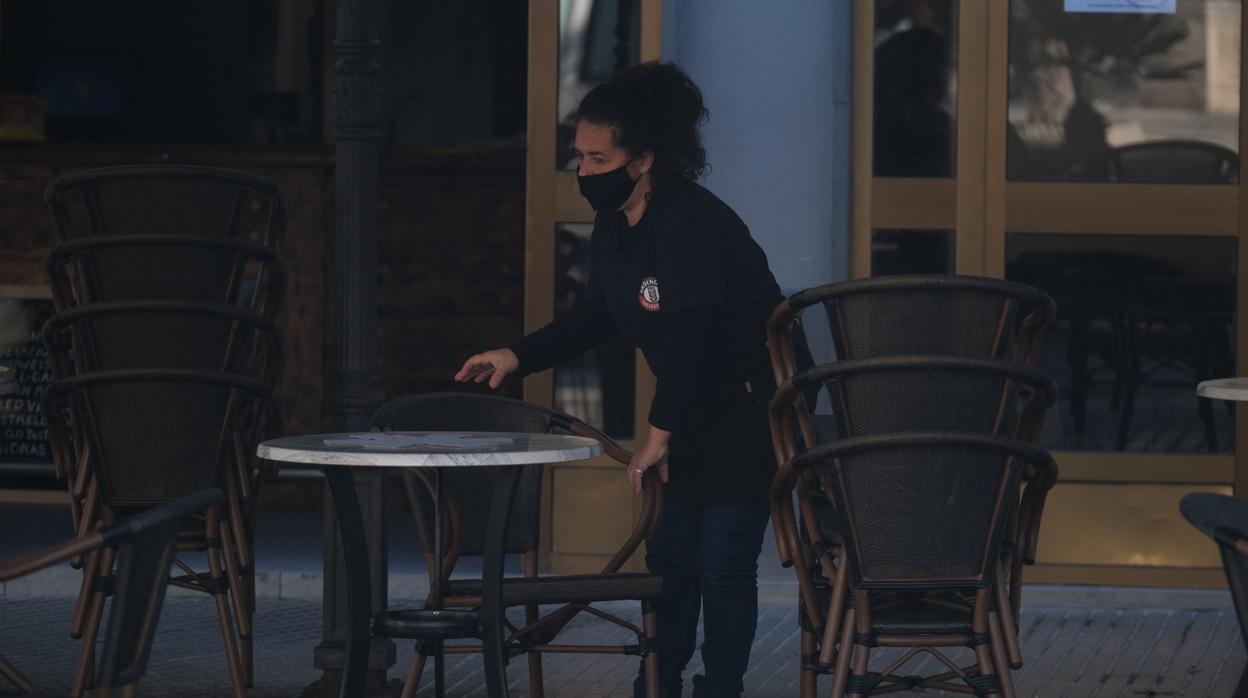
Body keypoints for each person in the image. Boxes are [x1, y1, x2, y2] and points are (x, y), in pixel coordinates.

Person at [454, 61, 782, 698]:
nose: (584, 173)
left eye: (599, 160)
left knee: (723, 566)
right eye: (578, 157)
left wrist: (657, 436)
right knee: (669, 564)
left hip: (743, 412)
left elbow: (689, 343)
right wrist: (516, 356)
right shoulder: (616, 225)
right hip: (685, 412)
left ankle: (721, 689)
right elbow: (598, 316)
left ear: (644, 159)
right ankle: (655, 683)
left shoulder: (690, 220)